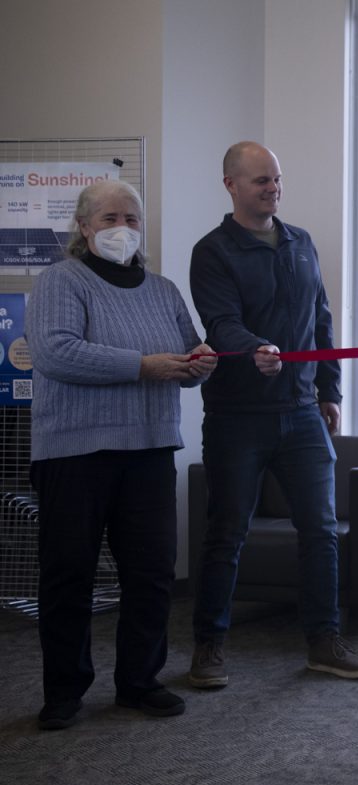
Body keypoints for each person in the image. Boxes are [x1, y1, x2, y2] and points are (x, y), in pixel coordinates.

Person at [26, 179, 217, 730]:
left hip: (150, 449)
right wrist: (144, 365)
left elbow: (185, 354)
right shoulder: (62, 280)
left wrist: (200, 361)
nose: (122, 229)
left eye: (131, 219)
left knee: (152, 573)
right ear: (84, 228)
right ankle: (64, 691)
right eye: (109, 218)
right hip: (74, 453)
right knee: (69, 575)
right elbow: (57, 352)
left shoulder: (162, 290)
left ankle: (139, 681)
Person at [188, 142, 358, 688]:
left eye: (276, 179)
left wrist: (329, 389)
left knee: (319, 530)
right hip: (237, 415)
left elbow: (321, 319)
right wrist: (256, 348)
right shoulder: (214, 251)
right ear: (231, 185)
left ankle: (324, 641)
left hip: (300, 412)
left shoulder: (301, 244)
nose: (272, 188)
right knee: (227, 533)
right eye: (260, 181)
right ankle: (208, 647)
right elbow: (219, 324)